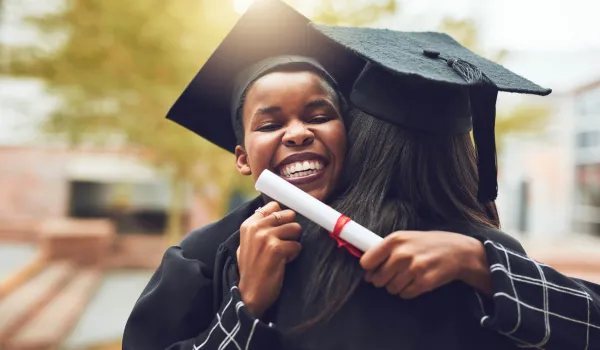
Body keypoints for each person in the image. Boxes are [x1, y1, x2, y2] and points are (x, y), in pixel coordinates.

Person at [289, 24, 599, 350]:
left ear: (358, 136)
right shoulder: (489, 260)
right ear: (463, 153)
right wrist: (481, 263)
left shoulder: (290, 238)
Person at [123, 1, 363, 349]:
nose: (297, 134)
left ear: (349, 136)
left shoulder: (392, 236)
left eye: (318, 116)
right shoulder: (199, 259)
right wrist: (247, 301)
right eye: (270, 124)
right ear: (243, 159)